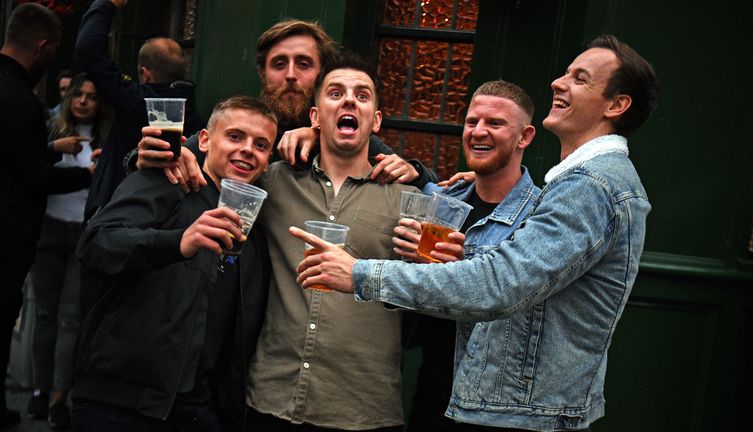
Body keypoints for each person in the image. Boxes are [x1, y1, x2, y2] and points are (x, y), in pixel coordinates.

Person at [292, 34, 660, 431]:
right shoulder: (576, 183)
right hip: (497, 409)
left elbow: (500, 284)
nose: (558, 82)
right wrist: (318, 134)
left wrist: (359, 274)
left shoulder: (591, 186)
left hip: (523, 418)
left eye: (580, 78)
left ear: (616, 105)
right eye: (565, 73)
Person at [71, 96, 274, 431]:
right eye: (235, 137)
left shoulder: (255, 229)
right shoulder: (166, 181)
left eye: (261, 144)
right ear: (205, 141)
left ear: (268, 160)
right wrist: (178, 243)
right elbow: (96, 245)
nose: (248, 149)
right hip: (123, 403)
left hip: (197, 411)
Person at [242, 52, 419, 431]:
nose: (349, 101)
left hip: (362, 408)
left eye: (362, 95)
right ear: (314, 116)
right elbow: (216, 160)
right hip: (272, 397)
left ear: (376, 120)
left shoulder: (407, 198)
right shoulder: (274, 181)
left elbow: (432, 285)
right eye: (335, 93)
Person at [134, 18, 438, 189]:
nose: (291, 75)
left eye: (303, 64)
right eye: (279, 64)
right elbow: (158, 156)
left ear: (322, 74)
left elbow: (419, 178)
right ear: (262, 73)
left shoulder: (343, 133)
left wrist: (319, 133)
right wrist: (148, 156)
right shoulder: (246, 125)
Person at [394, 80, 539, 432]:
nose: (478, 132)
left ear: (525, 137)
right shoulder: (444, 198)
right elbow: (371, 156)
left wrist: (459, 273)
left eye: (495, 123)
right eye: (472, 121)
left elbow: (511, 298)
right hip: (433, 396)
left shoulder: (541, 214)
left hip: (498, 410)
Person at [0, 4, 92, 428]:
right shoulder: (22, 102)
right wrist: (87, 175)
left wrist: (52, 150)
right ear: (42, 47)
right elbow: (32, 178)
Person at [26, 73, 111, 430]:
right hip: (48, 230)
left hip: (83, 234)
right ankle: (38, 391)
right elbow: (32, 175)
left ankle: (61, 396)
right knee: (45, 315)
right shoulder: (51, 132)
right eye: (79, 94)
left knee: (70, 317)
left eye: (92, 96)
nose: (84, 101)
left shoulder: (109, 139)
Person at [75, 0, 205, 223]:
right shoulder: (197, 119)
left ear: (145, 74)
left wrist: (106, 4)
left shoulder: (136, 102)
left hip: (117, 218)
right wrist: (110, 155)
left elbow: (88, 50)